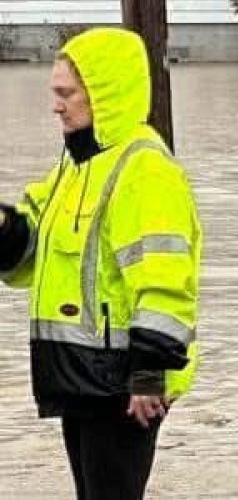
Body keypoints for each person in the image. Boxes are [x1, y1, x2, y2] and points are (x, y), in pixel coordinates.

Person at [0, 28, 203, 499]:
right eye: (55, 93)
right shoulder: (76, 168)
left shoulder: (144, 171)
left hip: (124, 384)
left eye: (66, 94)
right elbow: (33, 251)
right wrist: (6, 229)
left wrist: (148, 377)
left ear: (104, 96)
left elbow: (166, 283)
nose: (56, 105)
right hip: (82, 377)